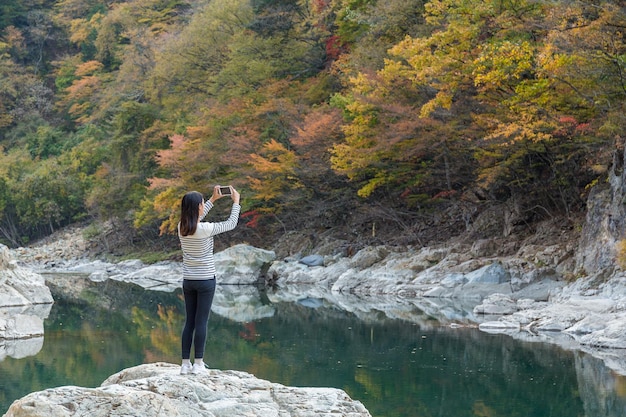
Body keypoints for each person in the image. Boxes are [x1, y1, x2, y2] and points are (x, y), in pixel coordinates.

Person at [178, 185, 240, 375]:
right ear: (198, 207)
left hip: (189, 280)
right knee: (201, 321)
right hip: (205, 280)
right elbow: (231, 224)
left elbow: (196, 218)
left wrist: (212, 200)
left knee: (190, 321)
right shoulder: (205, 229)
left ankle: (184, 364)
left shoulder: (182, 227)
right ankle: (198, 364)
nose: (204, 206)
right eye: (203, 204)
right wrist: (236, 202)